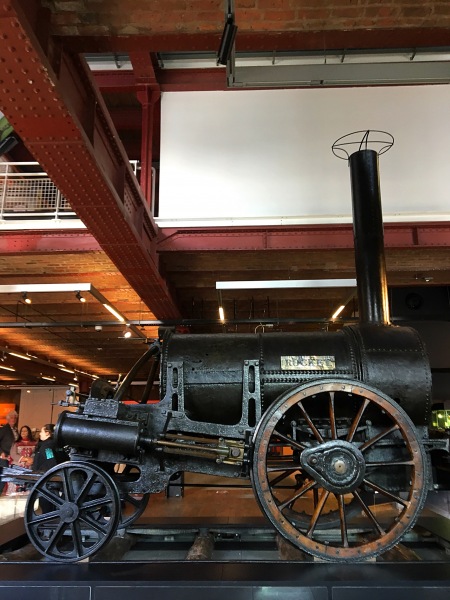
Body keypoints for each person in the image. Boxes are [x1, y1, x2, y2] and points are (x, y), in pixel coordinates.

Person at [0, 410, 19, 494]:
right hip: (4, 457)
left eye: (15, 417)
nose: (14, 419)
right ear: (8, 419)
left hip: (12, 458)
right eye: (12, 417)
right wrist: (1, 452)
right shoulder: (4, 429)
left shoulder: (15, 430)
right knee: (3, 477)